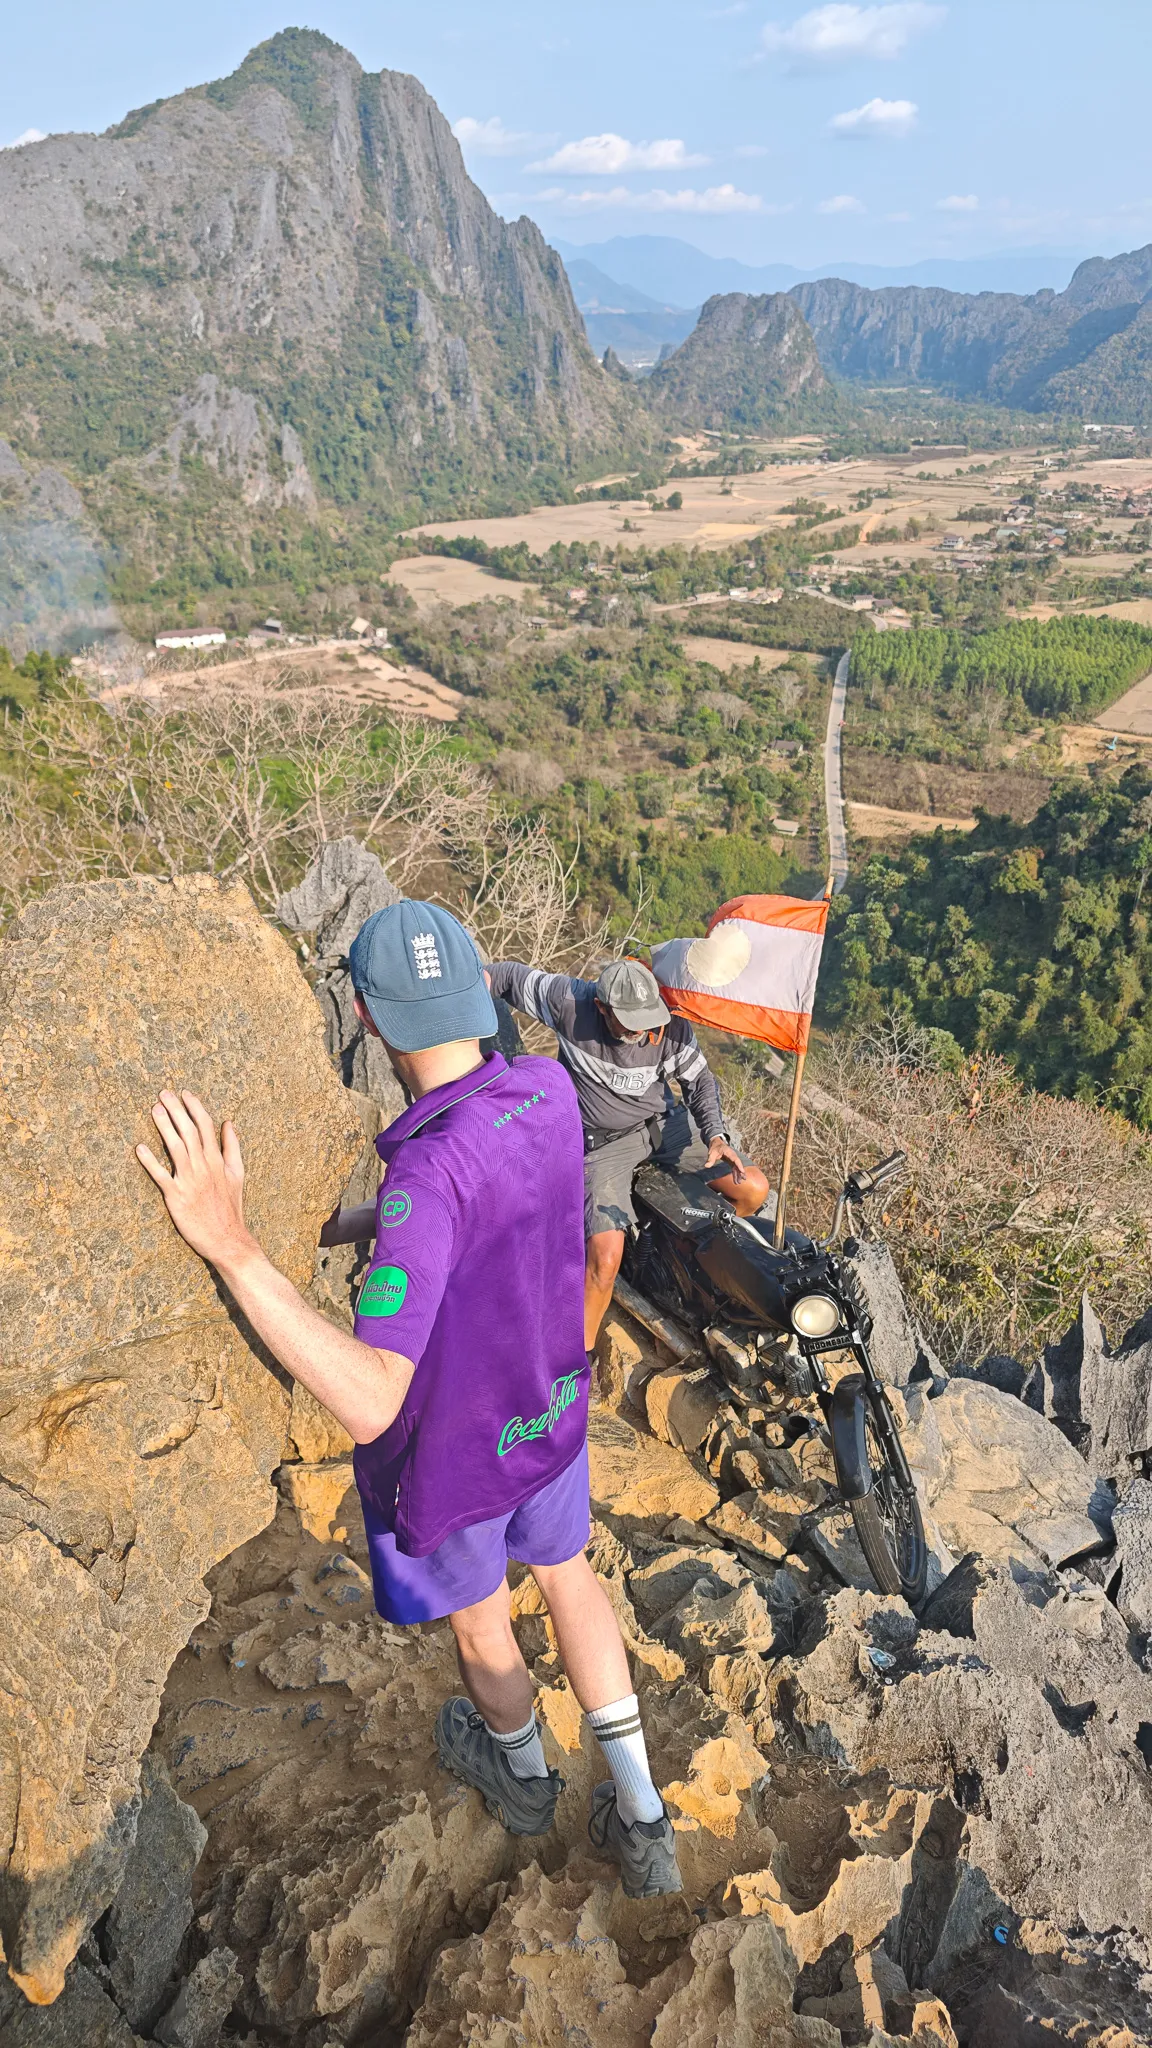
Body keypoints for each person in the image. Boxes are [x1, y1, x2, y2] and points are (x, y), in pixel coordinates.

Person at [136, 899, 681, 1899]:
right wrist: (374, 1224)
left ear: (367, 1014)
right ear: (479, 992)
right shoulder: (549, 1092)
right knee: (569, 1578)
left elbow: (377, 1397)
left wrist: (235, 1243)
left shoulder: (427, 1177)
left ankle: (522, 1776)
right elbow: (493, 1199)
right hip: (551, 1410)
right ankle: (645, 1816)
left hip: (456, 1455)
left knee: (485, 1629)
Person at [486, 955, 772, 1347]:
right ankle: (575, 1362)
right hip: (604, 1145)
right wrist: (459, 991)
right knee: (604, 1262)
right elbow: (505, 977)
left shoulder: (666, 1025)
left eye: (648, 1016)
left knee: (753, 1188)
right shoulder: (570, 1003)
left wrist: (715, 1135)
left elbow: (699, 1080)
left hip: (664, 1127)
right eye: (631, 1020)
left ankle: (689, 1267)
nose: (644, 1029)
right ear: (602, 1008)